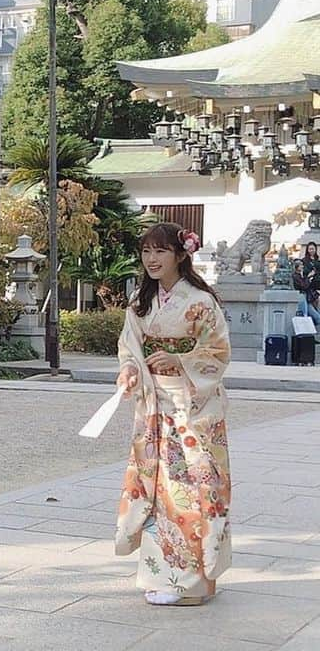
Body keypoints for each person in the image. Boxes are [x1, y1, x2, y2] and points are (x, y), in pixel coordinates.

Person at [115, 223, 232, 607]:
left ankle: (194, 582)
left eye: (160, 251)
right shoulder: (141, 302)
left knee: (191, 489)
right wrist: (131, 368)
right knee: (158, 491)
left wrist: (179, 358)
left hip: (193, 408)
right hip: (154, 405)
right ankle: (168, 575)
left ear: (181, 255)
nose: (151, 260)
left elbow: (217, 353)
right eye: (146, 251)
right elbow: (130, 345)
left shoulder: (200, 300)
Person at [292, 258, 320, 328]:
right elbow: (304, 286)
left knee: (317, 316)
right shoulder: (295, 276)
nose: (303, 266)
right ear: (296, 266)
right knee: (304, 315)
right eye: (301, 265)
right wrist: (308, 277)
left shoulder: (301, 275)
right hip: (301, 296)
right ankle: (305, 333)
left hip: (306, 297)